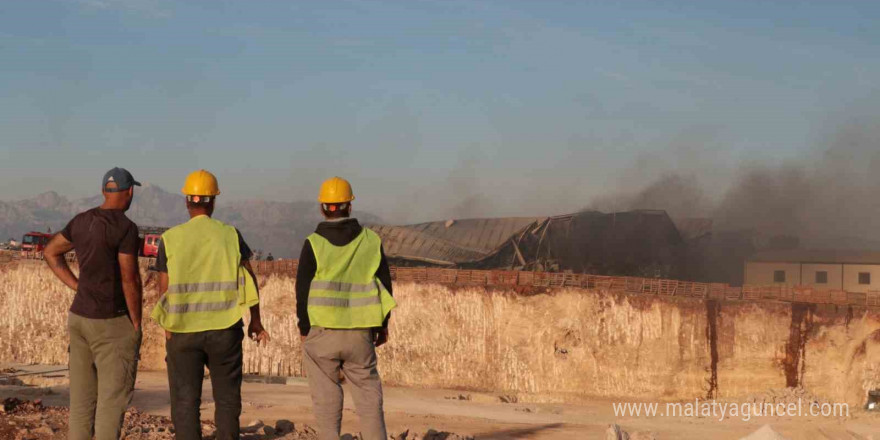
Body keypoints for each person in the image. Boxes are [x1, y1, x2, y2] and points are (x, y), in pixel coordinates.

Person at [150, 169, 270, 440]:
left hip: (182, 332)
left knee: (184, 402)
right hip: (225, 331)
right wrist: (256, 320)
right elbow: (249, 278)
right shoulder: (230, 235)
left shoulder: (170, 238)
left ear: (186, 202)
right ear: (213, 201)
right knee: (227, 401)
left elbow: (164, 290)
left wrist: (168, 333)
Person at [44, 167, 143, 440]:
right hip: (111, 322)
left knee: (81, 404)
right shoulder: (125, 228)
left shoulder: (80, 221)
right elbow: (129, 278)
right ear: (130, 192)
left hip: (79, 318)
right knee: (111, 404)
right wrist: (136, 322)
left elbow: (51, 252)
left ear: (104, 191)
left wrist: (77, 286)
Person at [296, 176, 397, 440]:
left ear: (322, 208)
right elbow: (384, 285)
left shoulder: (313, 243)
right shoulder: (371, 241)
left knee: (326, 402)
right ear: (349, 207)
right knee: (368, 398)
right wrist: (382, 324)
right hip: (361, 334)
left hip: (323, 333)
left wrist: (304, 328)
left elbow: (302, 290)